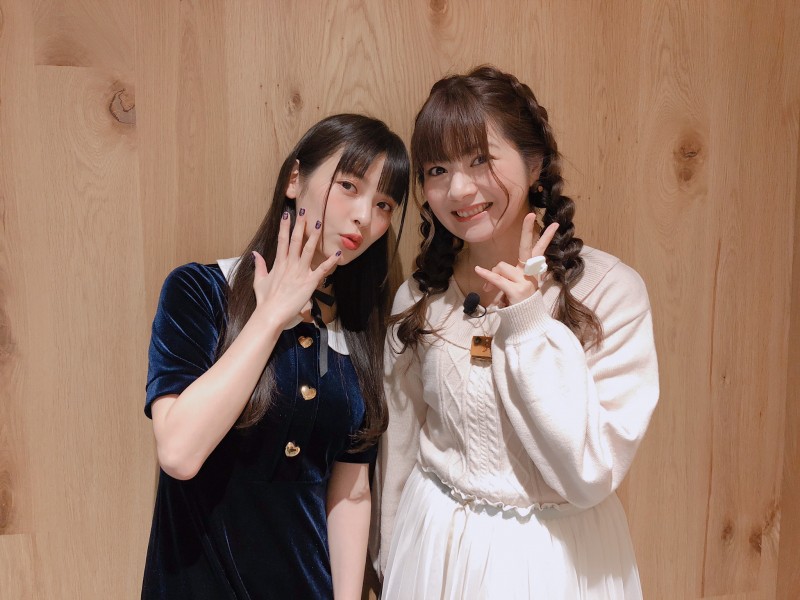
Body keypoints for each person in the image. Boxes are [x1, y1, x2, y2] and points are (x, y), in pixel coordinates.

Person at [374, 66, 659, 599]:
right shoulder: (419, 298)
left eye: (480, 159)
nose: (459, 188)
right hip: (433, 547)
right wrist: (390, 560)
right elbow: (400, 450)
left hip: (554, 562)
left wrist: (527, 323)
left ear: (534, 163)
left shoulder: (609, 292)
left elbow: (589, 474)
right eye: (437, 169)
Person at [142, 114, 409, 599]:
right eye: (349, 186)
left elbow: (351, 493)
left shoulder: (358, 332)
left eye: (384, 204)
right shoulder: (201, 291)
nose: (364, 216)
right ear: (294, 179)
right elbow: (179, 454)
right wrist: (270, 318)